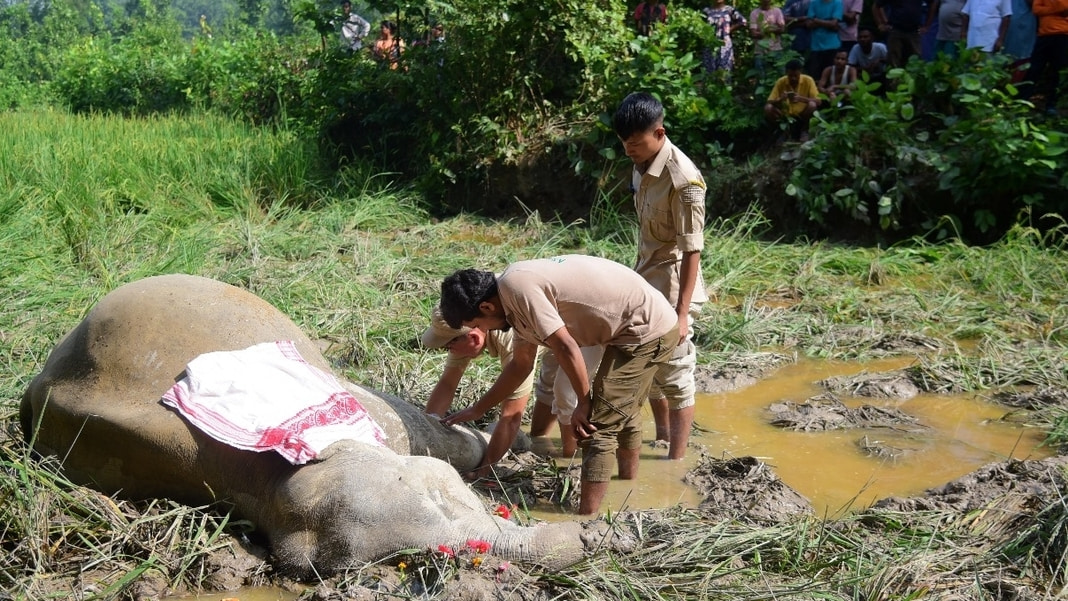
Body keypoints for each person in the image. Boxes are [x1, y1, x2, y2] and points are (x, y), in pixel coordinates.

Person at [438, 256, 679, 515]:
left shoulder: (517, 287)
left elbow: (565, 346)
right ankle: (627, 484)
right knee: (619, 407)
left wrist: (584, 403)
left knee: (596, 425)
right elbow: (521, 364)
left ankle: (587, 520)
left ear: (486, 307)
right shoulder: (510, 298)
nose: (481, 331)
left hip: (646, 328)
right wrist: (478, 409)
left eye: (476, 325)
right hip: (624, 325)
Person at [612, 92, 707, 461]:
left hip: (672, 285)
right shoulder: (640, 164)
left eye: (634, 144)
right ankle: (662, 437)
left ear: (659, 133)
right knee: (647, 368)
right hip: (644, 278)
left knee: (676, 371)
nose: (628, 152)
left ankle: (676, 461)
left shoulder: (683, 181)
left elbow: (691, 251)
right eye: (624, 144)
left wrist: (682, 315)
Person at [421, 306, 598, 475]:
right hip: (549, 327)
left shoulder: (512, 340)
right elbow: (447, 383)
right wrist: (428, 427)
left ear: (474, 337)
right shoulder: (466, 328)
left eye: (447, 347)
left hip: (584, 326)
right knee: (548, 387)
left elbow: (511, 416)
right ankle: (539, 438)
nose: (448, 351)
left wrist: (485, 469)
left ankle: (569, 460)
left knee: (565, 395)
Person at [1020, 0, 1068, 115]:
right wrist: (1058, 11)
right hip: (1044, 35)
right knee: (1034, 68)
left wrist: (1048, 9)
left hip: (1063, 35)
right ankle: (1022, 100)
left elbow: (1065, 7)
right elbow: (1036, 10)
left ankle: (1052, 104)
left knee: (1057, 71)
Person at [765, 58, 820, 141]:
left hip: (802, 114)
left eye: (796, 76)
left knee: (812, 105)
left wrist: (801, 99)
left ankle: (804, 130)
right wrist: (780, 99)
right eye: (790, 76)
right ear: (786, 73)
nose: (793, 78)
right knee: (768, 108)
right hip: (785, 114)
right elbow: (770, 101)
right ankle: (783, 131)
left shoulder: (808, 80)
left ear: (800, 72)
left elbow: (818, 101)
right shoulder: (781, 81)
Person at [875, 0, 927, 67]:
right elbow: (876, 6)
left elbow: (933, 3)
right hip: (896, 29)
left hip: (914, 31)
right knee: (893, 59)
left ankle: (915, 76)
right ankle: (893, 77)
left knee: (916, 59)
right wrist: (880, 24)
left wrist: (927, 25)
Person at [702, 0, 748, 74]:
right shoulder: (706, 11)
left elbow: (743, 22)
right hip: (710, 44)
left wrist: (729, 29)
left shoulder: (729, 10)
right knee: (709, 72)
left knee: (724, 72)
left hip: (724, 44)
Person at [806, 0, 844, 77]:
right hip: (816, 47)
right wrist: (827, 22)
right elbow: (809, 24)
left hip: (832, 46)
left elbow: (834, 23)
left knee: (831, 76)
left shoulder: (837, 3)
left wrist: (816, 19)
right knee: (814, 76)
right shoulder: (813, 3)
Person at [750, 0, 786, 76]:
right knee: (761, 76)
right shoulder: (756, 13)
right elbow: (753, 33)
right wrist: (769, 31)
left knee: (779, 74)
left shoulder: (776, 11)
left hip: (776, 49)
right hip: (760, 51)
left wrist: (766, 31)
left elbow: (782, 29)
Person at [784, 0, 814, 65]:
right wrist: (802, 19)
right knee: (795, 63)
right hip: (794, 40)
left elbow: (813, 20)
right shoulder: (790, 2)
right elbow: (785, 19)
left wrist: (795, 22)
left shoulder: (813, 2)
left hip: (810, 40)